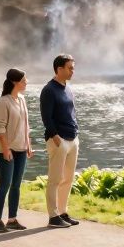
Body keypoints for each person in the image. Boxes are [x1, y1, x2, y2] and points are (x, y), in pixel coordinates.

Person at [39, 54, 80, 228]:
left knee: (68, 178)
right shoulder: (49, 90)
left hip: (72, 139)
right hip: (59, 140)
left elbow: (71, 112)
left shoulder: (68, 88)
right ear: (59, 69)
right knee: (55, 179)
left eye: (73, 67)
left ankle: (62, 212)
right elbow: (46, 117)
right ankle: (53, 216)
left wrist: (76, 134)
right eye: (70, 67)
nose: (73, 71)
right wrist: (56, 137)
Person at [0, 68, 33, 232]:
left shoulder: (22, 99)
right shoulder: (2, 102)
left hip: (21, 149)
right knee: (5, 184)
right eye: (24, 80)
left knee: (16, 185)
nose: (26, 82)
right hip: (6, 150)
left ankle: (12, 219)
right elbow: (0, 129)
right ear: (15, 82)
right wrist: (6, 149)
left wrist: (28, 144)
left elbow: (26, 124)